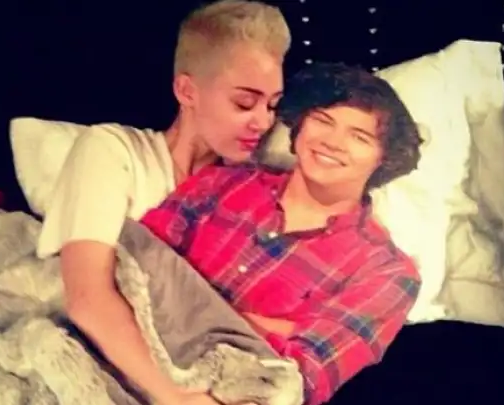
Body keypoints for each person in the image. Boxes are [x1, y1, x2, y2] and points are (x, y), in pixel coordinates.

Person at [36, 1, 291, 404]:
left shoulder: (248, 190)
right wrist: (180, 398)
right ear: (187, 91)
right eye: (244, 102)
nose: (262, 121)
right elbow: (86, 299)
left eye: (272, 104)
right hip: (94, 359)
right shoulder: (114, 150)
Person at [140, 63, 425, 405]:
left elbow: (298, 376)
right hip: (118, 356)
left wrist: (182, 305)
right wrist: (274, 327)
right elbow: (133, 266)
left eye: (359, 137)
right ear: (299, 126)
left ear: (384, 159)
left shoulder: (387, 273)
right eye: (322, 120)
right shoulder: (221, 184)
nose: (333, 142)